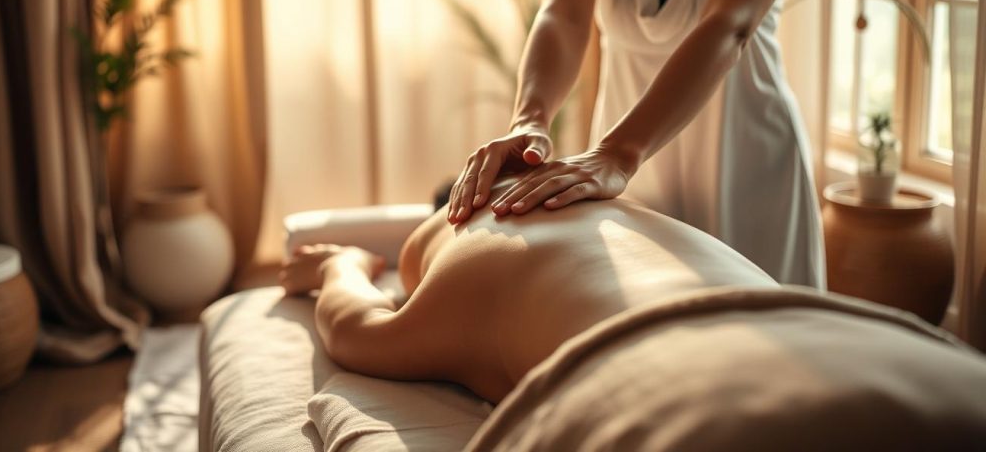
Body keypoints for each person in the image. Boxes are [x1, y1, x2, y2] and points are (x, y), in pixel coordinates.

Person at [446, 0, 824, 287]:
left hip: (744, 171)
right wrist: (529, 120)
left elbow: (727, 25)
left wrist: (618, 153)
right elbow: (563, 17)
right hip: (629, 178)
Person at [279, 176, 776, 403]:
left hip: (671, 386)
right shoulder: (630, 211)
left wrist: (340, 265)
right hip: (796, 325)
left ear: (446, 222)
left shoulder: (463, 274)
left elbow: (352, 328)